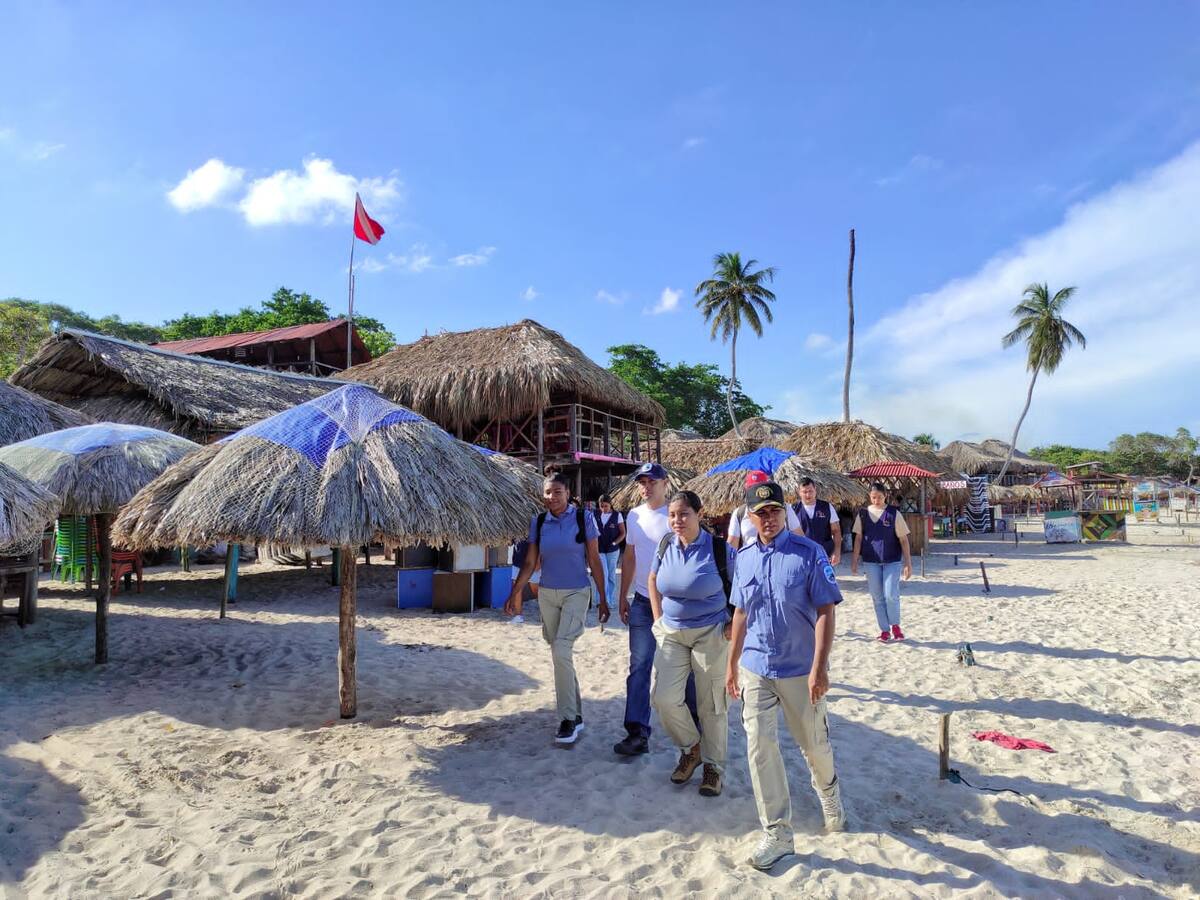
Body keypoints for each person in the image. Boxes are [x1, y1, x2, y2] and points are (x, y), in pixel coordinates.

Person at [726, 480, 846, 870]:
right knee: (759, 746)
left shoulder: (809, 553)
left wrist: (819, 668)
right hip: (756, 667)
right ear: (749, 517)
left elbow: (826, 610)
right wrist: (731, 664)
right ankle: (777, 831)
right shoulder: (743, 558)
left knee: (813, 745)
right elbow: (740, 613)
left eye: (775, 511)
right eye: (761, 513)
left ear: (785, 512)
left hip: (800, 668)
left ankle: (828, 791)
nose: (769, 519)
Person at [505, 472, 610, 744]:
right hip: (547, 594)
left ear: (568, 493)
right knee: (559, 654)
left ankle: (567, 719)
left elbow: (594, 559)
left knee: (561, 650)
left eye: (558, 492)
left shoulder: (583, 518)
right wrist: (514, 593)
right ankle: (576, 714)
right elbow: (530, 563)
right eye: (548, 492)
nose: (552, 497)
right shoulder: (539, 522)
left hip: (576, 592)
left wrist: (603, 597)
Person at [649, 490, 735, 797]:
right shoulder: (665, 545)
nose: (677, 520)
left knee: (711, 704)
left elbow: (742, 589)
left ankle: (713, 767)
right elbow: (652, 579)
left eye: (684, 514)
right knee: (664, 699)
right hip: (671, 633)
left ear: (699, 514)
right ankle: (691, 747)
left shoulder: (719, 549)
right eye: (672, 515)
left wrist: (733, 625)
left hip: (710, 631)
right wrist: (658, 620)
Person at [615, 461, 697, 756]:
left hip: (674, 604)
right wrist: (622, 595)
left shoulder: (675, 516)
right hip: (641, 601)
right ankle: (637, 731)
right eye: (642, 482)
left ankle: (696, 727)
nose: (646, 487)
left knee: (685, 667)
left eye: (652, 482)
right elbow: (630, 557)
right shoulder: (634, 516)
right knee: (639, 666)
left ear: (665, 484)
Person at [850, 482, 913, 643]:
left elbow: (904, 540)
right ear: (869, 497)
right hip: (870, 561)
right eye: (873, 497)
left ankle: (895, 626)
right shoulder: (863, 514)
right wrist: (854, 560)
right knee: (877, 597)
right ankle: (884, 630)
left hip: (892, 560)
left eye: (879, 497)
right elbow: (858, 539)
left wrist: (908, 563)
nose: (876, 500)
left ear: (885, 496)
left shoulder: (893, 513)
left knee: (891, 594)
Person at [727, 470, 803, 550]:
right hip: (752, 556)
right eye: (751, 488)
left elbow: (799, 535)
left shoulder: (783, 508)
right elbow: (732, 543)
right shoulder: (739, 513)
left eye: (759, 487)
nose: (756, 491)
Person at [793, 477, 843, 565]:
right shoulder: (793, 510)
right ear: (799, 492)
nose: (808, 495)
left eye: (810, 491)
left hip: (825, 556)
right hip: (801, 557)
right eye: (805, 492)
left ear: (815, 490)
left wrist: (837, 552)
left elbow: (836, 531)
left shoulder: (827, 507)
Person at [592, 494, 625, 617]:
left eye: (606, 506)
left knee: (611, 576)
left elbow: (623, 533)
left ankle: (609, 600)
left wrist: (615, 542)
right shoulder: (594, 514)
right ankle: (601, 601)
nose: (603, 509)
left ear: (610, 505)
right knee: (602, 574)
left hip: (612, 550)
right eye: (601, 506)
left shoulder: (617, 515)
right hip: (599, 549)